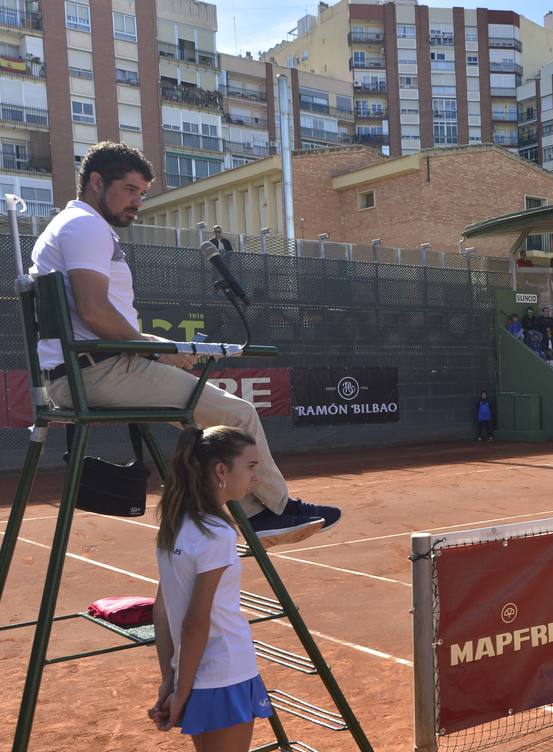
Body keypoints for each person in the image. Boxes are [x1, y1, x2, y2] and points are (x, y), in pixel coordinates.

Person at [32, 142, 335, 546]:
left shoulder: (71, 226)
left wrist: (166, 348)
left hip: (89, 368)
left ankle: (238, 518)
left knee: (207, 428)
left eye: (142, 193)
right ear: (96, 182)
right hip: (98, 372)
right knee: (238, 415)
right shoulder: (85, 226)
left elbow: (101, 322)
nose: (137, 202)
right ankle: (272, 512)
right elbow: (93, 312)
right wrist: (158, 351)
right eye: (130, 190)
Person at [150, 426, 276, 752]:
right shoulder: (217, 531)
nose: (255, 473)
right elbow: (195, 622)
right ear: (220, 472)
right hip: (224, 675)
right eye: (250, 465)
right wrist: (179, 692)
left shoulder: (174, 525)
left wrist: (170, 679)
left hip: (199, 675)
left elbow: (163, 608)